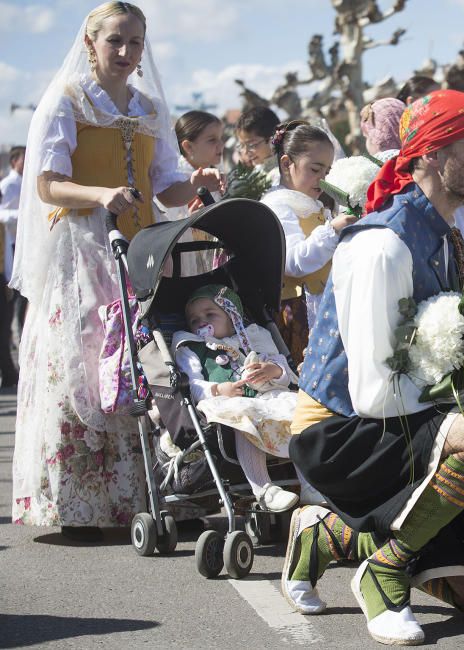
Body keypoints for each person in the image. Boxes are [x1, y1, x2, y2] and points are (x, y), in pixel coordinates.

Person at [281, 90, 464, 645]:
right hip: (343, 433)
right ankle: (386, 566)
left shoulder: (446, 233)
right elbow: (372, 395)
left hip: (408, 420)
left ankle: (329, 535)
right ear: (437, 155)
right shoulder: (382, 245)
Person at [10, 2, 222, 541]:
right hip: (84, 246)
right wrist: (99, 193)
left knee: (137, 361)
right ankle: (79, 502)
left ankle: (140, 495)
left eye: (135, 43)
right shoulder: (68, 101)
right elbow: (47, 183)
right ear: (91, 43)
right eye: (116, 42)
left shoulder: (149, 107)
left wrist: (197, 183)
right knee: (81, 363)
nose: (127, 53)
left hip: (140, 248)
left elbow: (166, 187)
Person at [174, 285, 322, 511]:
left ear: (232, 316)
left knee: (297, 409)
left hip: (268, 396)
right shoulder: (191, 347)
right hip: (227, 402)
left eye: (210, 314)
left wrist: (272, 370)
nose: (201, 322)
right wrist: (217, 389)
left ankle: (309, 485)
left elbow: (285, 372)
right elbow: (192, 384)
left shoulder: (255, 336)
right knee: (243, 418)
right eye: (194, 320)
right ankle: (263, 488)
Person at [261, 121, 354, 365]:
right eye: (315, 169)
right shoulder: (279, 205)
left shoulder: (313, 205)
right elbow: (293, 262)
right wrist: (332, 231)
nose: (322, 179)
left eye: (327, 172)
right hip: (301, 312)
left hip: (325, 305)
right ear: (286, 163)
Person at [160, 110, 226, 274]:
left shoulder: (216, 175)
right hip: (182, 260)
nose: (221, 145)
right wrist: (188, 218)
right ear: (188, 146)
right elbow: (168, 220)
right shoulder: (176, 179)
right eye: (212, 140)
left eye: (221, 139)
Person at [0, 146, 25, 386]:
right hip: (16, 245)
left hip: (16, 252)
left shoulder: (26, 182)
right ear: (14, 160)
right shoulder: (9, 185)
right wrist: (25, 214)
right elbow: (4, 215)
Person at [236, 106, 281, 187]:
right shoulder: (257, 171)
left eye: (252, 145)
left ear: (273, 139)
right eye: (242, 146)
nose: (246, 152)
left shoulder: (283, 174)